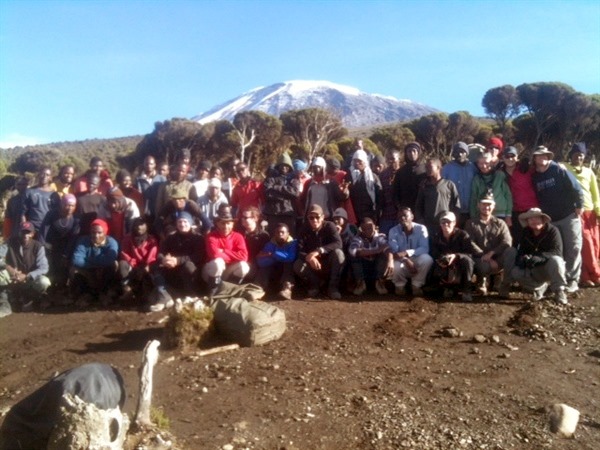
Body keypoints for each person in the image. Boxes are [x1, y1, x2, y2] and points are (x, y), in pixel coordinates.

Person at [531, 145, 584, 293]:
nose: (542, 158)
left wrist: (579, 204)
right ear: (534, 158)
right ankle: (558, 280)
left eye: (545, 155)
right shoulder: (535, 177)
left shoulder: (559, 169)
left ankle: (572, 280)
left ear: (549, 157)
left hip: (568, 215)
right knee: (556, 251)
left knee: (573, 247)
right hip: (550, 219)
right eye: (538, 155)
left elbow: (576, 187)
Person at [499, 208, 568, 304]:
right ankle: (538, 288)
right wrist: (524, 259)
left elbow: (557, 251)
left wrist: (540, 257)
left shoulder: (553, 230)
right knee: (516, 272)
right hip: (533, 268)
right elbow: (521, 250)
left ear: (543, 219)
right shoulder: (526, 232)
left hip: (549, 267)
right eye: (530, 219)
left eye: (536, 218)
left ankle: (559, 291)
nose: (534, 221)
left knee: (556, 260)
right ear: (527, 221)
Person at [564, 142, 600, 287]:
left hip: (590, 212)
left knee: (596, 244)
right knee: (585, 245)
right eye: (576, 154)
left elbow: (595, 193)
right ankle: (587, 276)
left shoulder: (589, 172)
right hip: (575, 212)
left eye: (581, 155)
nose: (578, 157)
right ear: (571, 156)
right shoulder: (565, 168)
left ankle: (593, 274)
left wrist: (598, 211)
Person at [152, 211, 204, 310]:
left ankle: (191, 295)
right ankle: (164, 296)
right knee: (155, 266)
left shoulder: (198, 238)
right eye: (180, 222)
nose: (182, 224)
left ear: (190, 223)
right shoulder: (170, 237)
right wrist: (164, 260)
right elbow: (160, 253)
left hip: (191, 271)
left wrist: (178, 260)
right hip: (172, 267)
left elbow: (198, 256)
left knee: (189, 266)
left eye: (185, 221)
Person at [464, 193, 512, 295]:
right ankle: (481, 282)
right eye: (484, 204)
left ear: (494, 206)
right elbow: (470, 242)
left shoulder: (500, 223)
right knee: (483, 266)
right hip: (480, 257)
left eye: (489, 204)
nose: (486, 207)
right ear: (478, 205)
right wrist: (485, 256)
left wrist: (492, 254)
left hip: (497, 257)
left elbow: (507, 242)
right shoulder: (471, 223)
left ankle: (501, 281)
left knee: (510, 254)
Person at [294, 204, 345, 299]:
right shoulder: (303, 229)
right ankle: (314, 285)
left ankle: (333, 288)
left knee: (339, 254)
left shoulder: (330, 226)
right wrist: (309, 257)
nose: (314, 220)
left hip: (328, 262)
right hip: (312, 266)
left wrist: (319, 251)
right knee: (297, 264)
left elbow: (338, 243)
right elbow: (299, 250)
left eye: (317, 217)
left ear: (322, 217)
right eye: (311, 217)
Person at [431, 211, 481, 302]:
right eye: (443, 222)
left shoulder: (463, 235)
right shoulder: (436, 236)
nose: (446, 224)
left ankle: (466, 290)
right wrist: (441, 259)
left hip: (460, 265)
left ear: (454, 223)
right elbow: (434, 252)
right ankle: (446, 288)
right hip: (444, 265)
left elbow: (469, 254)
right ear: (440, 223)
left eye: (449, 222)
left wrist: (455, 256)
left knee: (467, 261)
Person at [0, 222, 51, 311]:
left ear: (32, 234)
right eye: (23, 232)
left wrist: (27, 276)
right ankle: (5, 299)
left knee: (44, 281)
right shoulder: (10, 242)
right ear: (19, 232)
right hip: (13, 277)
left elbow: (44, 268)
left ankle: (30, 299)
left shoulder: (38, 246)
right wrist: (8, 268)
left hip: (29, 280)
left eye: (28, 232)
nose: (25, 235)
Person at [70, 219, 119, 307]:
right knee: (75, 269)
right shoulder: (83, 241)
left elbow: (110, 259)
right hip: (88, 271)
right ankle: (86, 294)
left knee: (113, 265)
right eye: (93, 232)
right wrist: (94, 266)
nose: (96, 235)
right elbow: (76, 259)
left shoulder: (112, 242)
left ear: (105, 232)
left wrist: (89, 260)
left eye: (99, 232)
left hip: (103, 271)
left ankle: (105, 292)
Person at [387, 207, 433, 297]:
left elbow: (424, 248)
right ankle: (399, 286)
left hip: (416, 257)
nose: (402, 218)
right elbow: (395, 252)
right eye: (400, 217)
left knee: (427, 259)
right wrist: (405, 259)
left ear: (412, 216)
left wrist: (407, 252)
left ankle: (416, 285)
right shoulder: (393, 231)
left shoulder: (421, 228)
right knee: (394, 264)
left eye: (405, 216)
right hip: (401, 260)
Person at [202, 206, 249, 293]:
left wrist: (224, 251)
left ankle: (229, 290)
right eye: (223, 223)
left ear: (232, 224)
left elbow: (244, 256)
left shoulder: (238, 236)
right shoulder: (211, 236)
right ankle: (212, 292)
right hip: (210, 273)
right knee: (218, 262)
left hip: (227, 271)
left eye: (228, 223)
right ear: (217, 224)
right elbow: (214, 254)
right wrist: (234, 255)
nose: (226, 226)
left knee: (244, 266)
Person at [39, 194, 80, 292]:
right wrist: (42, 247)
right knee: (49, 269)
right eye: (67, 205)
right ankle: (48, 292)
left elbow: (73, 238)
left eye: (72, 205)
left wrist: (66, 254)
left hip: (66, 248)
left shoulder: (76, 219)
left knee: (63, 270)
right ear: (62, 204)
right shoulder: (52, 214)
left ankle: (61, 291)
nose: (70, 208)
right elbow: (43, 232)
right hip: (50, 247)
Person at [500, 146, 538, 245]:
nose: (510, 159)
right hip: (514, 212)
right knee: (517, 239)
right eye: (507, 156)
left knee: (534, 238)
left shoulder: (525, 169)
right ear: (503, 158)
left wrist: (557, 165)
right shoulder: (500, 173)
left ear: (517, 157)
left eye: (512, 156)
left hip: (531, 209)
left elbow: (541, 167)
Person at [118, 217, 159, 304]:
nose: (139, 227)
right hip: (132, 264)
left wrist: (146, 265)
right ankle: (127, 289)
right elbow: (124, 253)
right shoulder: (128, 238)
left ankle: (146, 292)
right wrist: (134, 263)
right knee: (122, 264)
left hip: (145, 266)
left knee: (152, 270)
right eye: (137, 225)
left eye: (142, 225)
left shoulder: (151, 239)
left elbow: (152, 255)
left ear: (146, 226)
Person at [415, 158, 461, 234]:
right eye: (426, 167)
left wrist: (453, 222)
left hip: (446, 225)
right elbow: (418, 206)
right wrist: (421, 221)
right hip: (429, 227)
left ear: (439, 168)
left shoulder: (449, 185)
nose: (427, 169)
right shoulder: (424, 186)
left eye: (430, 167)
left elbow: (456, 205)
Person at [256, 223, 298, 300]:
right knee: (264, 268)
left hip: (288, 274)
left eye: (282, 232)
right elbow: (260, 261)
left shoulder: (293, 243)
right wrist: (277, 257)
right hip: (274, 272)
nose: (280, 234)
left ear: (288, 233)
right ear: (274, 233)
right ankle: (258, 288)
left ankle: (287, 289)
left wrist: (272, 254)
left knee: (288, 264)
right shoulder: (270, 244)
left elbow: (290, 257)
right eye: (278, 232)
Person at [348, 217, 389, 296]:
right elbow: (353, 251)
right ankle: (360, 283)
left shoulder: (380, 236)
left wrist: (390, 261)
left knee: (384, 255)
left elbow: (387, 247)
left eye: (369, 228)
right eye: (364, 229)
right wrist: (377, 250)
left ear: (374, 226)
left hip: (376, 269)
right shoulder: (357, 238)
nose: (367, 231)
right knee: (354, 256)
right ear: (361, 229)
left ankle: (379, 283)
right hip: (363, 269)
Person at [263, 152, 301, 235]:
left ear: (290, 167)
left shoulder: (294, 178)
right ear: (278, 166)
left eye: (286, 165)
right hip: (273, 214)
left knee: (289, 237)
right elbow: (268, 193)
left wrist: (277, 187)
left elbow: (295, 192)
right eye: (282, 165)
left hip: (289, 213)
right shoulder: (271, 178)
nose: (284, 167)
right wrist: (286, 195)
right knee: (273, 237)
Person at [469, 153, 512, 224]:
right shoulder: (477, 179)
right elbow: (474, 198)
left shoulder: (500, 175)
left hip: (500, 213)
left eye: (487, 163)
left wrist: (508, 215)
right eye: (481, 163)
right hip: (483, 214)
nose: (484, 166)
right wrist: (473, 217)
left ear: (492, 163)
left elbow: (508, 195)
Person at [343, 149, 382, 224]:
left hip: (370, 214)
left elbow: (379, 197)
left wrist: (377, 214)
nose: (357, 163)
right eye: (355, 161)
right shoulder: (349, 177)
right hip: (354, 214)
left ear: (365, 162)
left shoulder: (373, 177)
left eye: (359, 161)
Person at [442, 142, 476, 226]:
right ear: (453, 153)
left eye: (463, 151)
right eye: (457, 152)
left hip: (471, 210)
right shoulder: (447, 168)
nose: (460, 154)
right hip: (454, 210)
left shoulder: (473, 168)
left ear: (467, 153)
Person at [23, 167, 60, 237]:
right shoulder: (29, 191)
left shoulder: (54, 195)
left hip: (47, 230)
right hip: (31, 229)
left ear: (50, 178)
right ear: (38, 175)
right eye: (42, 174)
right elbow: (23, 213)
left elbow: (57, 214)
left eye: (47, 175)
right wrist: (25, 229)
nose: (44, 176)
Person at [237, 206, 270, 282]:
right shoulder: (239, 232)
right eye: (242, 217)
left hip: (255, 265)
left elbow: (264, 255)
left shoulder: (263, 235)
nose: (243, 219)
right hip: (240, 262)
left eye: (246, 217)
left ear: (255, 218)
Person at [393, 142, 427, 212]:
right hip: (406, 208)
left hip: (423, 208)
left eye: (414, 151)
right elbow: (395, 191)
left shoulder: (426, 169)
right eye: (409, 151)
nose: (412, 153)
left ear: (418, 152)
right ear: (406, 153)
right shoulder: (401, 171)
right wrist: (399, 206)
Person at [135, 155, 166, 221]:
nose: (149, 166)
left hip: (159, 213)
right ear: (144, 164)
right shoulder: (138, 180)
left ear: (154, 165)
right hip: (144, 214)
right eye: (147, 164)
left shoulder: (162, 179)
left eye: (151, 164)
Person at [378, 150, 401, 235]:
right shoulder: (382, 175)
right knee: (384, 240)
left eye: (393, 159)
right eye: (388, 159)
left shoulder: (403, 173)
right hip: (386, 215)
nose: (390, 161)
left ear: (399, 159)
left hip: (400, 216)